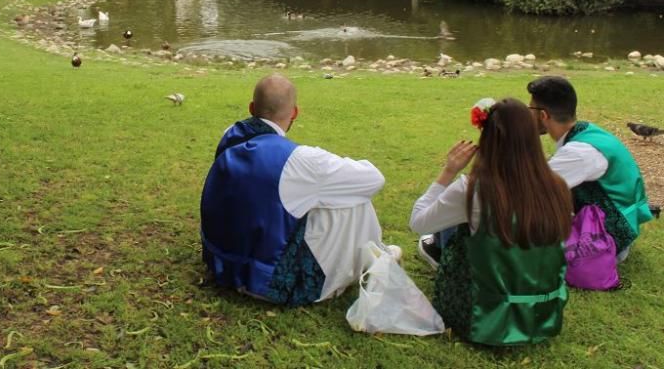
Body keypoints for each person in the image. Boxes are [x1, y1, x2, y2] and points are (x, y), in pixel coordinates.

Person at [200, 74, 391, 306]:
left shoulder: (231, 133)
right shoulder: (301, 160)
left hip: (219, 260)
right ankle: (375, 256)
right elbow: (374, 179)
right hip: (264, 283)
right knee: (355, 201)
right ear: (295, 113)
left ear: (251, 108)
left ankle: (376, 255)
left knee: (319, 196)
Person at [410, 98, 573, 346]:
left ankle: (433, 251)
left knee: (450, 228)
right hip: (544, 314)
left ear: (487, 138)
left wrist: (448, 172)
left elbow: (418, 223)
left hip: (486, 319)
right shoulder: (557, 185)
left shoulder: (474, 188)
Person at [527, 76, 652, 261]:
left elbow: (527, 188)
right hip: (617, 225)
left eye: (530, 109)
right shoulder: (586, 132)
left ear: (543, 115)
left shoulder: (578, 153)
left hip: (605, 240)